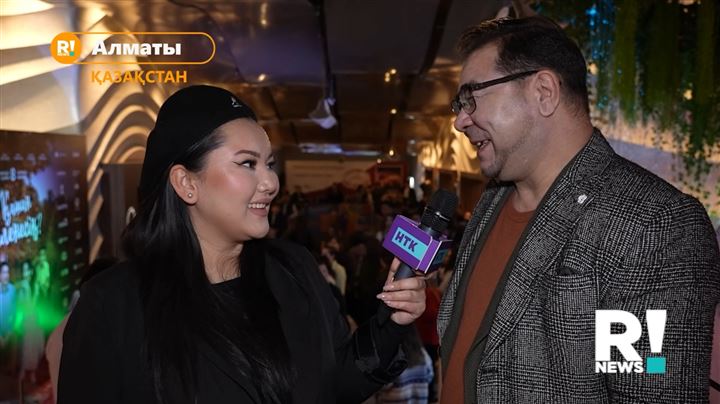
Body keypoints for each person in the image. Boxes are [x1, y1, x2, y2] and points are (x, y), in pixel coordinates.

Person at [58, 85, 426, 404]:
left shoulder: (294, 269)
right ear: (186, 183)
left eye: (269, 164)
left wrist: (391, 323)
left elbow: (335, 383)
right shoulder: (112, 304)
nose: (271, 183)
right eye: (248, 164)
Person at [438, 16, 720, 403]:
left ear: (544, 91)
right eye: (459, 104)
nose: (459, 121)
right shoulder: (492, 200)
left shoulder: (653, 226)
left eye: (471, 97)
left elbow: (645, 392)